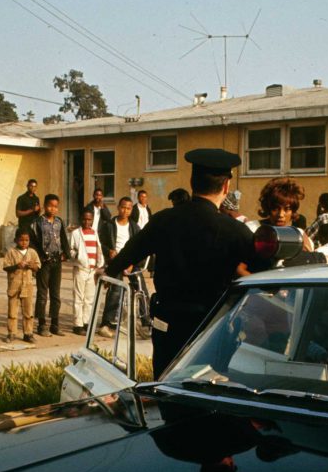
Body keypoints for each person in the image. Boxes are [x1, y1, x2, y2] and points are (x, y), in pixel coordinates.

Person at [106, 148, 262, 377]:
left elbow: (125, 257)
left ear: (192, 181)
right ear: (226, 187)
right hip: (212, 327)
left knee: (166, 381)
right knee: (207, 386)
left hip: (168, 323)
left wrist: (108, 271)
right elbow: (262, 271)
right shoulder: (235, 231)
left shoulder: (163, 220)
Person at [98, 197, 141, 336]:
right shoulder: (109, 225)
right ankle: (106, 323)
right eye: (123, 207)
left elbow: (140, 247)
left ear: (131, 210)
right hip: (115, 261)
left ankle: (145, 321)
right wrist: (108, 251)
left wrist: (132, 264)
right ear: (118, 207)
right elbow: (101, 243)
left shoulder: (134, 227)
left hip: (130, 262)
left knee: (141, 288)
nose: (125, 210)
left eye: (128, 208)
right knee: (115, 290)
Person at [30, 194, 70, 337]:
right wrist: (40, 258)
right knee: (42, 294)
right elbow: (33, 242)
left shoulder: (59, 222)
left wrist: (66, 253)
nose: (52, 209)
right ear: (44, 206)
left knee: (56, 293)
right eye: (49, 206)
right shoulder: (38, 222)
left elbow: (64, 238)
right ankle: (41, 325)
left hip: (57, 261)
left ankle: (55, 324)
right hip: (44, 262)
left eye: (55, 206)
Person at [68, 209, 104, 335]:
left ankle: (86, 322)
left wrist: (99, 265)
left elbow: (97, 248)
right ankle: (77, 324)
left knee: (89, 298)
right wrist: (77, 256)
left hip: (92, 270)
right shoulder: (76, 233)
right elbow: (70, 249)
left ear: (92, 220)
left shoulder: (94, 233)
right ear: (80, 219)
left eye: (89, 219)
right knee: (79, 297)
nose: (86, 221)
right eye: (84, 219)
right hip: (81, 269)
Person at [3, 228, 41, 343]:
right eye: (21, 240)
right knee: (12, 312)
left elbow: (38, 266)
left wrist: (32, 266)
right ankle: (11, 333)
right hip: (14, 287)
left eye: (26, 240)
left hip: (28, 287)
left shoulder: (32, 252)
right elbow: (5, 267)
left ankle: (28, 333)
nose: (24, 243)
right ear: (15, 240)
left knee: (28, 312)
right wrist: (16, 266)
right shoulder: (11, 252)